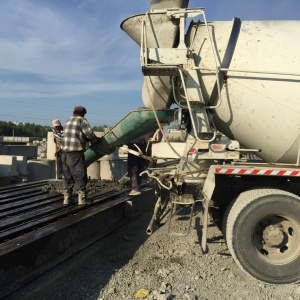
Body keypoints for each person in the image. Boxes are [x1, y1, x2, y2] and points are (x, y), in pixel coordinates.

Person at [61, 105, 98, 205]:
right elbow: (89, 134)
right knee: (79, 174)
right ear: (83, 114)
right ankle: (82, 200)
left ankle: (66, 198)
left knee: (67, 175)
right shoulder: (82, 120)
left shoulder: (68, 120)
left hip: (64, 153)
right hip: (75, 153)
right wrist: (95, 140)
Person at [127, 131, 154, 196]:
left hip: (135, 143)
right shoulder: (153, 127)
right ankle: (137, 186)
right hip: (144, 145)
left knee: (132, 166)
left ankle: (135, 188)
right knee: (140, 166)